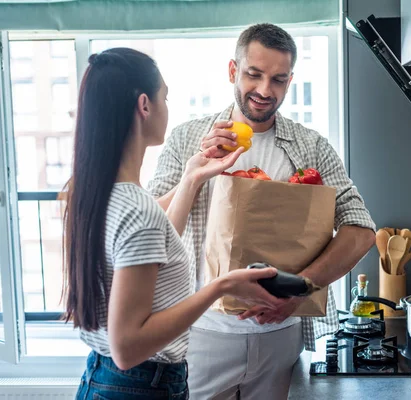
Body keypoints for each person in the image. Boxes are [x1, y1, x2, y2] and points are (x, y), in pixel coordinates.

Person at [148, 23, 376, 399]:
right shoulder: (188, 139)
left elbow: (361, 229)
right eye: (254, 75)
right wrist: (197, 170)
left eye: (279, 80)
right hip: (202, 335)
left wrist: (302, 289)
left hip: (280, 338)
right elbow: (154, 226)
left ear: (290, 80)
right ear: (233, 71)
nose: (265, 91)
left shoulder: (312, 148)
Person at [62, 47, 283, 400]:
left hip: (109, 379)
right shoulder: (138, 210)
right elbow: (128, 348)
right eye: (165, 97)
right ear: (144, 105)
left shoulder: (98, 194)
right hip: (139, 386)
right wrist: (221, 286)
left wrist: (192, 178)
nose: (168, 107)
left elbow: (156, 244)